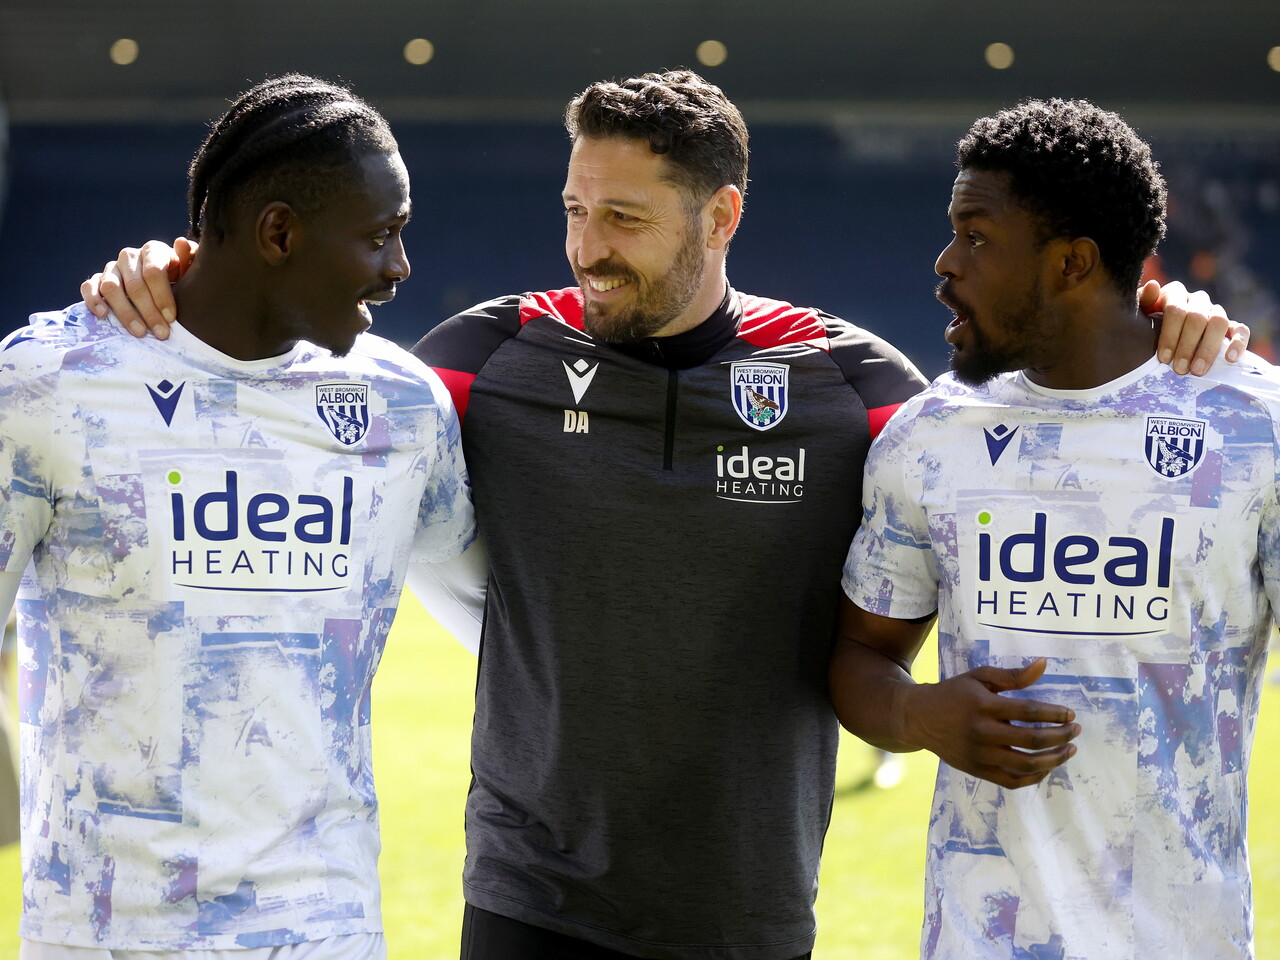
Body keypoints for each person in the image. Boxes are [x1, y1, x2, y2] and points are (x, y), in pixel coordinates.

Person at [84, 73, 1246, 960]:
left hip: (746, 908)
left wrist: (1162, 326)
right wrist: (165, 282)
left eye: (624, 219)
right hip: (527, 901)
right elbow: (273, 384)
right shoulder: (481, 359)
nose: (587, 246)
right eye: (574, 209)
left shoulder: (856, 388)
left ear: (719, 215)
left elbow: (1041, 420)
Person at [0, 74, 476, 959]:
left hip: (328, 932)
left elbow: (501, 618)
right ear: (279, 233)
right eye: (380, 235)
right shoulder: (48, 384)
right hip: (105, 938)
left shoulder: (403, 407)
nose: (401, 267)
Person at [832, 98, 1277, 959]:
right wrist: (917, 714)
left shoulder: (1252, 428)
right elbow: (859, 655)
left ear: (1072, 262)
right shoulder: (929, 436)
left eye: (976, 237)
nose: (945, 263)